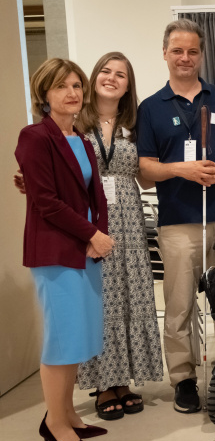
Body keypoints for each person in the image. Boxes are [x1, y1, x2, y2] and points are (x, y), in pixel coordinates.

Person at [14, 53, 165, 420]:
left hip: (126, 218)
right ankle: (101, 383)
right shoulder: (70, 124)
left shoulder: (135, 123)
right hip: (82, 226)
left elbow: (144, 173)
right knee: (99, 305)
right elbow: (52, 181)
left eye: (121, 74)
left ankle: (124, 378)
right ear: (95, 77)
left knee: (130, 298)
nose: (112, 79)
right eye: (105, 72)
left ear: (129, 85)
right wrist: (31, 184)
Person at [137, 19, 215, 413]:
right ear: (165, 54)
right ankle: (184, 379)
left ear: (201, 55)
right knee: (180, 306)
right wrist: (180, 170)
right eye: (177, 51)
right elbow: (144, 170)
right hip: (178, 222)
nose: (185, 58)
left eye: (192, 51)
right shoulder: (151, 108)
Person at [15, 58, 114, 441]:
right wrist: (90, 233)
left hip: (85, 250)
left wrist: (99, 236)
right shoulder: (34, 137)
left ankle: (67, 412)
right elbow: (46, 202)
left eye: (76, 85)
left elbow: (96, 195)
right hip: (56, 252)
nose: (72, 93)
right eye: (61, 87)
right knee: (60, 341)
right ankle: (54, 423)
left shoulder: (82, 137)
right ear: (44, 94)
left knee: (76, 338)